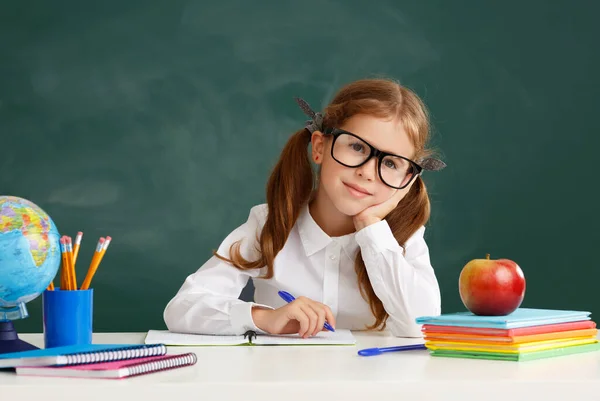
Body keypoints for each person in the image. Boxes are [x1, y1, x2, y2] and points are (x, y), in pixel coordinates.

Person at [163, 78, 446, 338]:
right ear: (319, 147)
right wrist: (265, 317)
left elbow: (423, 326)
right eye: (357, 147)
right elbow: (183, 307)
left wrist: (371, 227)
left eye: (390, 163)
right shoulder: (270, 223)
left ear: (407, 180)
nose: (368, 173)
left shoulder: (401, 238)